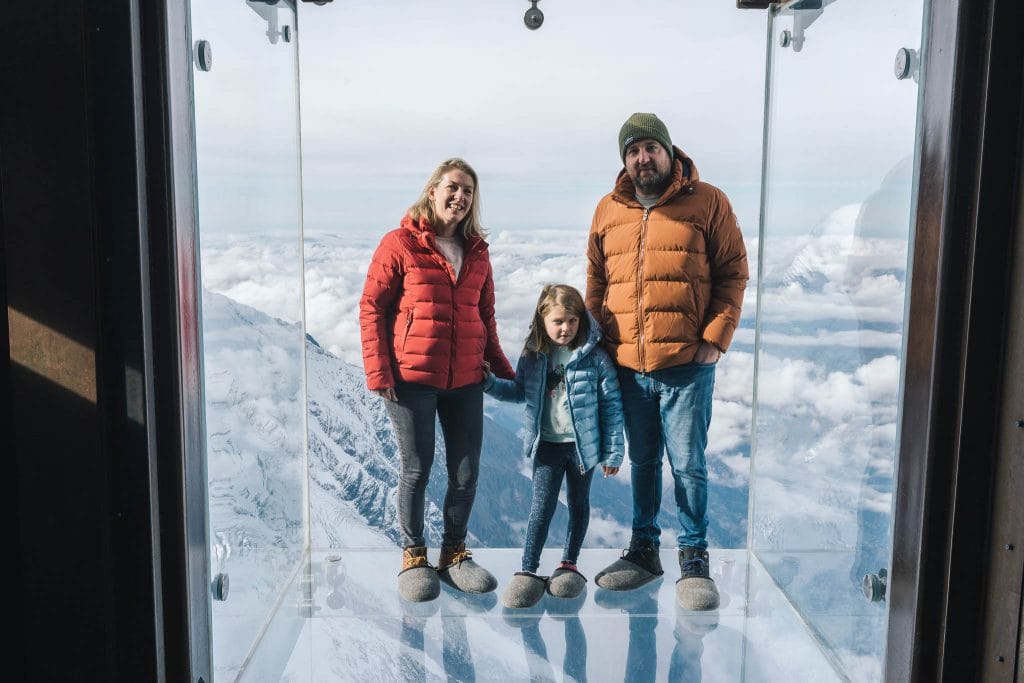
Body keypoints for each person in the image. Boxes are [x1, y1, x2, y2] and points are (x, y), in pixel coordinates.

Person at [586, 113, 749, 611]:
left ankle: (694, 557)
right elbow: (596, 283)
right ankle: (643, 552)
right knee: (644, 462)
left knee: (689, 465)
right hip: (627, 366)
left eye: (650, 148)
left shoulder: (708, 201)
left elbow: (734, 273)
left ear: (669, 151)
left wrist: (714, 341)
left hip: (685, 365)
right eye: (632, 151)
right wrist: (596, 348)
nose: (642, 158)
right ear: (625, 161)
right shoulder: (607, 210)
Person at [359, 157, 516, 603]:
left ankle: (454, 554)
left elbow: (484, 318)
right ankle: (413, 556)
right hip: (411, 379)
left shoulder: (478, 252)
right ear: (433, 190)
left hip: (466, 378)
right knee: (417, 469)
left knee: (466, 473)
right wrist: (379, 372)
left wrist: (509, 376)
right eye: (452, 187)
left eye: (468, 191)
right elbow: (372, 308)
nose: (460, 197)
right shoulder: (399, 244)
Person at [483, 284, 625, 609]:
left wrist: (614, 451)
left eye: (573, 321)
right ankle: (528, 570)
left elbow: (612, 406)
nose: (566, 328)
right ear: (542, 321)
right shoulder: (534, 357)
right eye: (558, 321)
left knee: (578, 503)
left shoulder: (595, 358)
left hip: (581, 447)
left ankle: (569, 564)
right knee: (541, 508)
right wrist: (489, 384)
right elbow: (519, 392)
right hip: (547, 444)